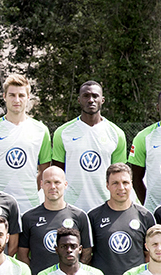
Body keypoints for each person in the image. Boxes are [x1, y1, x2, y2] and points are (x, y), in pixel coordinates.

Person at [51, 80, 127, 213]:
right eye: (86, 96)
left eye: (95, 96)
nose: (91, 100)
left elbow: (119, 175)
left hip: (105, 206)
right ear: (79, 100)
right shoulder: (63, 133)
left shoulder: (116, 134)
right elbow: (57, 174)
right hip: (71, 207)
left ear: (102, 100)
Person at [0, 74, 51, 210]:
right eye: (12, 95)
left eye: (21, 95)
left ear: (28, 97)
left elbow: (44, 170)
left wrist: (30, 191)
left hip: (29, 204)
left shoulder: (41, 131)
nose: (16, 100)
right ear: (4, 96)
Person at [88, 163, 157, 275]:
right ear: (107, 185)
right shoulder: (94, 217)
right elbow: (87, 255)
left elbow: (150, 256)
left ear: (131, 184)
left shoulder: (145, 216)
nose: (121, 188)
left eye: (125, 182)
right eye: (115, 183)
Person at [17, 166, 93, 275]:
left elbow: (86, 252)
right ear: (41, 184)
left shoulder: (79, 216)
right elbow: (22, 255)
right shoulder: (29, 217)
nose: (52, 187)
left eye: (57, 182)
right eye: (48, 182)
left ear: (65, 184)